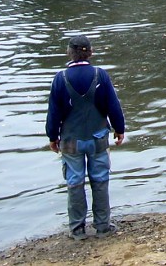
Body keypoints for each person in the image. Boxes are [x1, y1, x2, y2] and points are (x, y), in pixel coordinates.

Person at [46, 34, 126, 240]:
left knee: (74, 182)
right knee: (100, 180)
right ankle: (102, 226)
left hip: (71, 140)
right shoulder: (101, 75)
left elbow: (53, 112)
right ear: (90, 53)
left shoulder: (60, 78)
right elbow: (113, 106)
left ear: (69, 53)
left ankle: (77, 229)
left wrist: (52, 137)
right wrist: (119, 129)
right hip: (98, 138)